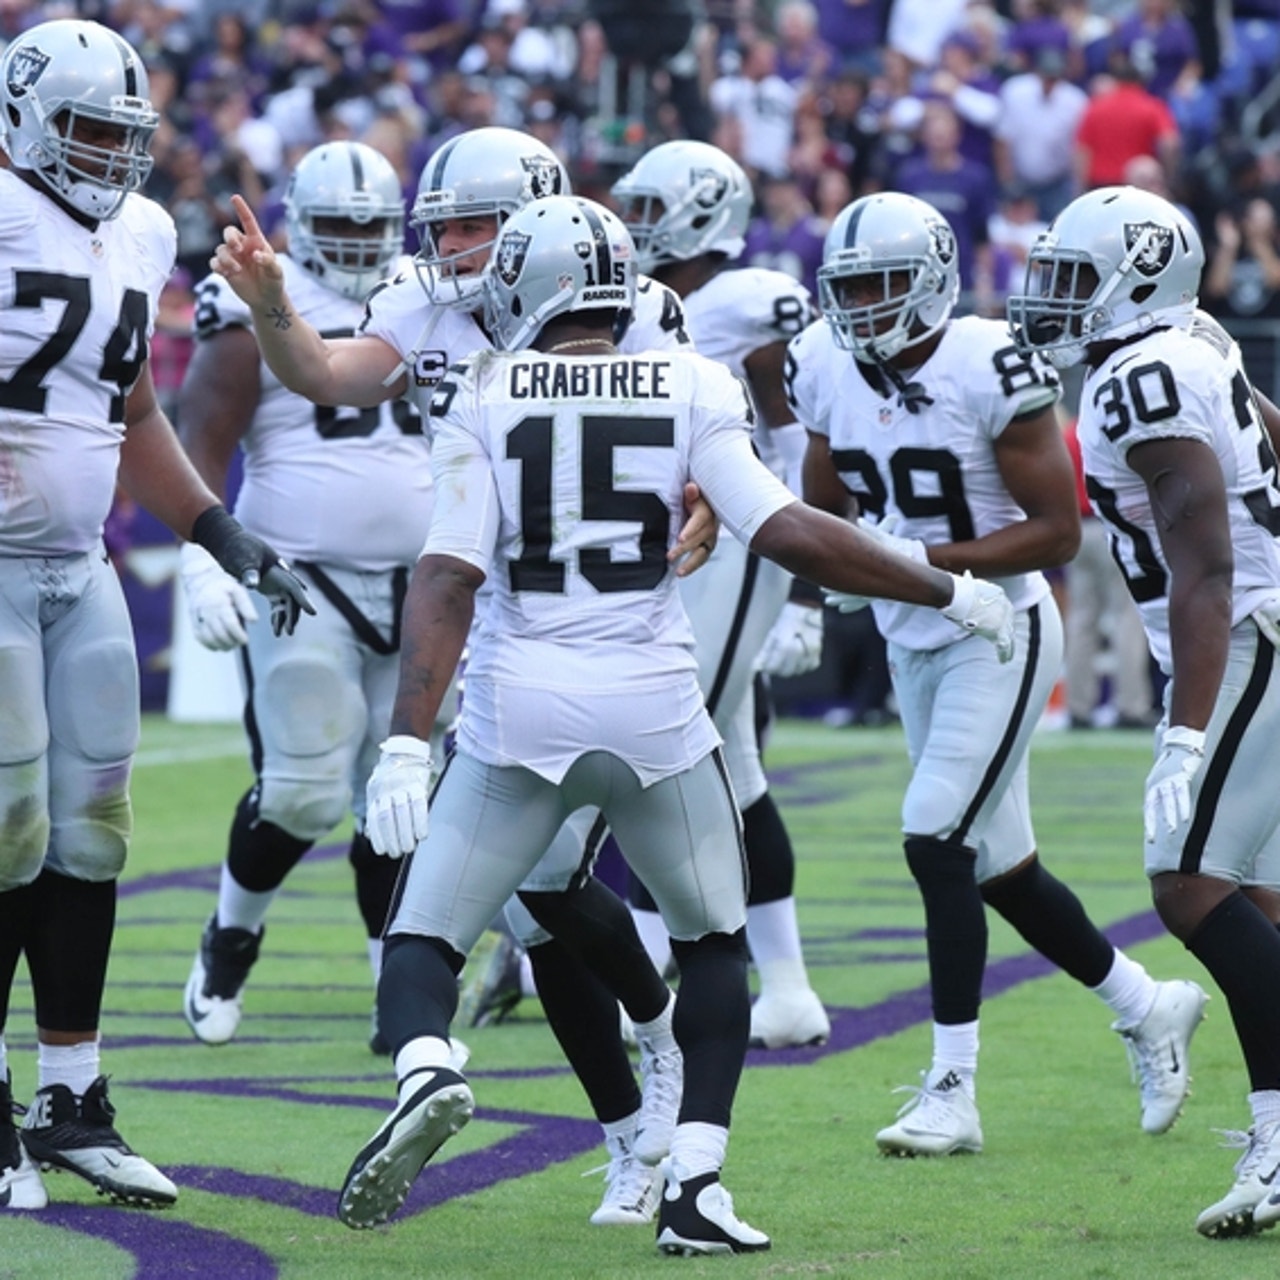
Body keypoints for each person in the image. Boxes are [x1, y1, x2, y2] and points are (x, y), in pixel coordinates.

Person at [322, 192, 1015, 1249]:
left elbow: (448, 574)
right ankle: (694, 1180)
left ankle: (426, 1067)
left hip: (520, 710)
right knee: (714, 944)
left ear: (522, 286)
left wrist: (408, 740)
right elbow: (785, 527)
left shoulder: (483, 387)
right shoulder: (693, 379)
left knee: (426, 931)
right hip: (653, 707)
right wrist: (942, 588)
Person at [201, 124, 718, 1228]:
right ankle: (635, 1110)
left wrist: (710, 495)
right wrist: (272, 307)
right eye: (442, 227)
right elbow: (328, 373)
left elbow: (708, 430)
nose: (453, 247)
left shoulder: (631, 310)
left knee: (547, 893)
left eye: (475, 225)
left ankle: (649, 1061)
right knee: (537, 904)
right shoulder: (424, 302)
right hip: (486, 627)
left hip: (604, 627)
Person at [786, 190, 1207, 1158]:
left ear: (932, 279)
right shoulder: (822, 361)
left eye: (883, 283)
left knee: (934, 837)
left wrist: (921, 565)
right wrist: (828, 581)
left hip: (999, 632)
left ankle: (950, 1087)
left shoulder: (989, 362)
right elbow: (821, 500)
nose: (862, 305)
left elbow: (1056, 532)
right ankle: (1146, 1004)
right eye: (848, 287)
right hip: (914, 632)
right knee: (1000, 869)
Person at [0, 19, 312, 1213]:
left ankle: (71, 1094)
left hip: (78, 569)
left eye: (126, 136)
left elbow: (130, 408)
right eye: (86, 129)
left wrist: (215, 529)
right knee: (9, 826)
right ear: (25, 118)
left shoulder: (136, 232)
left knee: (93, 832)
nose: (109, 156)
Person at [1007, 185, 1280, 1238]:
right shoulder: (1190, 337)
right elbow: (1264, 426)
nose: (1055, 298)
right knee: (1254, 896)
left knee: (1187, 884)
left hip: (1245, 630)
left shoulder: (1139, 372)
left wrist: (1182, 725)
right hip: (1248, 619)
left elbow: (1204, 563)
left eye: (1074, 279)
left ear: (1136, 280)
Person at [175, 140, 438, 1052]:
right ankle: (231, 934)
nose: (361, 243)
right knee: (301, 790)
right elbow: (202, 427)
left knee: (401, 796)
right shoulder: (260, 288)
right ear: (300, 221)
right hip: (301, 574)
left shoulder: (427, 285)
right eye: (340, 225)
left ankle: (390, 983)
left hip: (424, 583)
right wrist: (208, 554)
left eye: (373, 225)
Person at [611, 139, 830, 1048]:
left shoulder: (748, 298)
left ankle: (649, 961)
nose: (637, 226)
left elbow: (804, 443)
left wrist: (809, 592)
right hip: (685, 546)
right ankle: (785, 986)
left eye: (654, 209)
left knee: (663, 742)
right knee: (732, 768)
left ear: (705, 213)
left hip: (743, 538)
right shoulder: (637, 300)